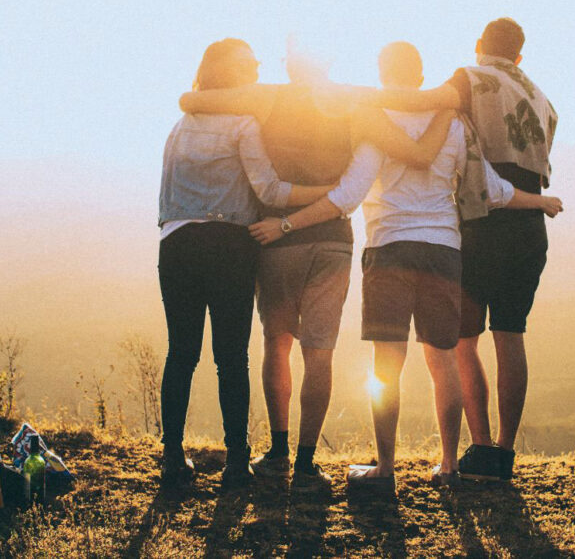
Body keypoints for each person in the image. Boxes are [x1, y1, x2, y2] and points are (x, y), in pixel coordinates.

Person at [249, 42, 562, 490]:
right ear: (421, 77)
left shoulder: (375, 121)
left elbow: (348, 196)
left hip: (389, 248)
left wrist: (286, 224)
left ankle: (385, 469)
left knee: (386, 365)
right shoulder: (454, 124)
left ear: (381, 73)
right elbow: (493, 189)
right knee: (443, 362)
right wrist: (541, 201)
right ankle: (450, 466)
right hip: (444, 251)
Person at [178, 48, 454, 492]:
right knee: (319, 351)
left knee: (277, 342)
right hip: (332, 241)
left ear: (289, 64)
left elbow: (194, 102)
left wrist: (189, 101)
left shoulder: (266, 98)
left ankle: (278, 452)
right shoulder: (353, 101)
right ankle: (307, 466)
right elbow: (413, 118)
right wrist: (446, 98)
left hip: (278, 239)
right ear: (327, 63)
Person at [369, 18, 560, 481]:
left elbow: (422, 103)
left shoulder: (468, 78)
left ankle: (477, 448)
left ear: (479, 46)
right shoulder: (541, 98)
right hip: (529, 224)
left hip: (482, 222)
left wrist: (358, 100)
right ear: (519, 55)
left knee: (463, 341)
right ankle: (504, 453)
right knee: (511, 335)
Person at [157, 38, 333, 491]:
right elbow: (271, 192)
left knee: (181, 353)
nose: (256, 67)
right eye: (248, 63)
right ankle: (236, 463)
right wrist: (326, 194)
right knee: (230, 358)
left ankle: (172, 460)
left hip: (176, 243)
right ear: (231, 74)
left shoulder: (180, 125)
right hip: (229, 246)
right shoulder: (243, 123)